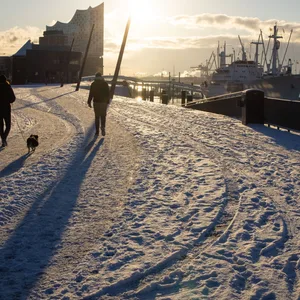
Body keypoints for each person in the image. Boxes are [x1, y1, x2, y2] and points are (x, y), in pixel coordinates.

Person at [0, 75, 16, 147]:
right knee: (8, 125)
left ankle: (3, 138)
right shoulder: (8, 87)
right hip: (6, 108)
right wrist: (8, 100)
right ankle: (4, 138)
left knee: (0, 126)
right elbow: (13, 98)